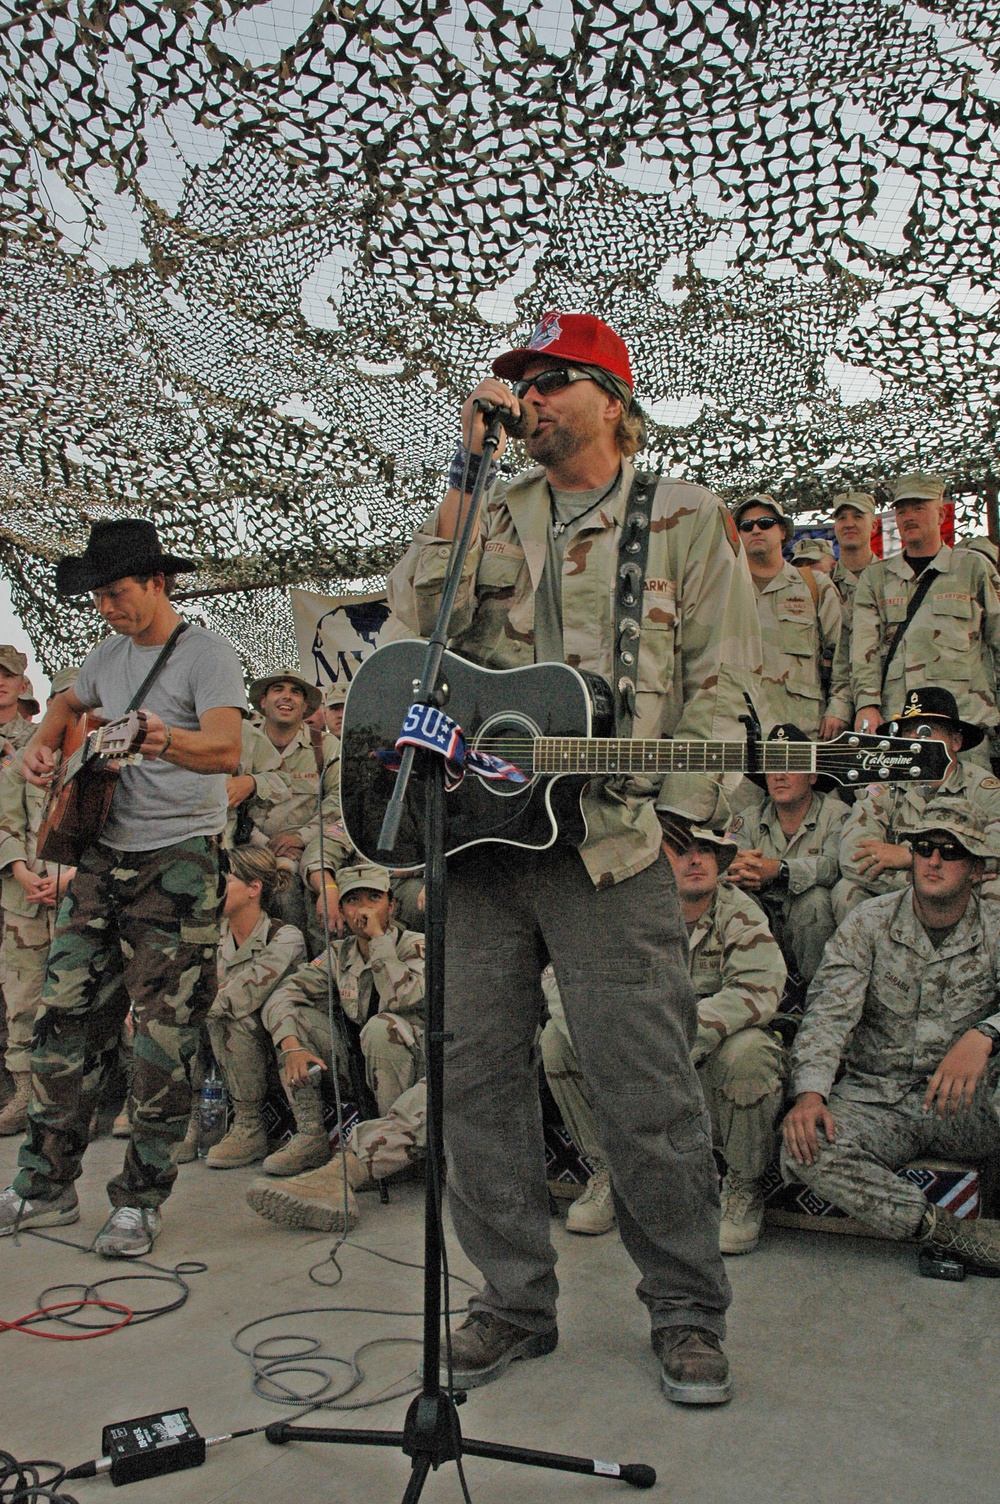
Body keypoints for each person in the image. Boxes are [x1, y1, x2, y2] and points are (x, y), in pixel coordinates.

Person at [387, 309, 763, 1405]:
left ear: (611, 396)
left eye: (550, 379)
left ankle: (687, 1309)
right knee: (476, 1082)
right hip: (482, 845)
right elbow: (412, 635)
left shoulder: (682, 515)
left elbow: (727, 680)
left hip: (610, 846)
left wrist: (688, 819)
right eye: (518, 383)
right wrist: (464, 467)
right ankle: (511, 1301)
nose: (528, 397)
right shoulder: (488, 512)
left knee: (643, 1086)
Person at [0, 518, 246, 1256]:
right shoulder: (105, 658)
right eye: (98, 597)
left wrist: (157, 736)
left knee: (163, 1041)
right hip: (103, 862)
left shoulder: (207, 655)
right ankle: (43, 1186)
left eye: (117, 593)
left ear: (158, 583)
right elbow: (70, 707)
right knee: (63, 1023)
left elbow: (228, 748)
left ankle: (140, 1200)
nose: (106, 608)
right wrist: (38, 751)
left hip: (179, 865)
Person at [541, 775, 787, 1255]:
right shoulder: (623, 911)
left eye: (707, 849)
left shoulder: (740, 912)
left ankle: (742, 1185)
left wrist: (677, 1033)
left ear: (721, 858)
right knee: (556, 1037)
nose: (696, 859)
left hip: (700, 1066)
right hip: (633, 1065)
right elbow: (559, 978)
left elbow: (761, 989)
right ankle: (609, 1170)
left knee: (752, 1050)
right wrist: (609, 1033)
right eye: (683, 849)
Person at [781, 799, 1000, 1273]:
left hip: (965, 1101)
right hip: (879, 1097)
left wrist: (984, 1034)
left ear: (977, 868)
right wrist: (811, 1093)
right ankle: (945, 1232)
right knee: (806, 1148)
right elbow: (828, 1013)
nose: (934, 861)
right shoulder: (869, 922)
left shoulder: (995, 927)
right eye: (924, 848)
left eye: (951, 850)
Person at [251, 862, 425, 1180]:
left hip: (415, 1065)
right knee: (294, 1020)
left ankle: (390, 1152)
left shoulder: (412, 945)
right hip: (359, 1060)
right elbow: (283, 996)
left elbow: (402, 997)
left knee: (381, 1027)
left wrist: (378, 941)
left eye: (374, 898)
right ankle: (311, 1136)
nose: (364, 909)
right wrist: (291, 1047)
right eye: (353, 900)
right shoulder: (338, 953)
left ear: (392, 904)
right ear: (341, 911)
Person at [851, 474, 1000, 758]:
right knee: (888, 799)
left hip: (965, 725)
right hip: (899, 723)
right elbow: (863, 650)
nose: (908, 517)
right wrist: (867, 704)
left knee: (972, 799)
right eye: (902, 510)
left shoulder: (972, 568)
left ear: (941, 513)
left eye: (919, 507)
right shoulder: (876, 578)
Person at [833, 687, 1000, 920]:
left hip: (965, 907)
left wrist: (910, 856)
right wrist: (924, 884)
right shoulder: (884, 786)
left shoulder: (984, 788)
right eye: (908, 731)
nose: (913, 739)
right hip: (900, 902)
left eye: (925, 731)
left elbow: (996, 851)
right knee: (846, 891)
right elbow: (853, 855)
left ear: (956, 741)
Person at [0, 668, 82, 1136]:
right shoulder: (27, 762)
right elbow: (5, 819)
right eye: (62, 704)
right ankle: (24, 1095)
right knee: (23, 997)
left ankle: (83, 1095)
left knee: (80, 1001)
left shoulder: (102, 760)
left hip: (80, 898)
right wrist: (19, 870)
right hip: (24, 902)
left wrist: (73, 877)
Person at [202, 847, 307, 1167]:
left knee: (226, 1015)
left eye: (226, 880)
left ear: (254, 888)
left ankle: (249, 1126)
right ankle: (194, 1119)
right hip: (231, 1061)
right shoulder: (212, 937)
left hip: (285, 1053)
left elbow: (242, 994)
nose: (215, 889)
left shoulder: (286, 937)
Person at [728, 723, 848, 983]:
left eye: (790, 764)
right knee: (734, 898)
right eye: (772, 766)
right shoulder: (747, 819)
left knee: (814, 901)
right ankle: (748, 990)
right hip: (764, 918)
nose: (779, 775)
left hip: (812, 927)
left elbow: (833, 867)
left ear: (812, 775)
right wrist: (740, 872)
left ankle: (819, 997)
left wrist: (780, 870)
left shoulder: (836, 814)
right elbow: (729, 861)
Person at [732, 493, 846, 740]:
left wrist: (838, 708)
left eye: (765, 523)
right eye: (746, 526)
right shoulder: (723, 590)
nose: (755, 530)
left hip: (801, 731)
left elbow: (843, 654)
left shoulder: (815, 586)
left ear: (783, 531)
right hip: (738, 734)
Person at [247, 666, 340, 947]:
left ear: (306, 706)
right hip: (249, 847)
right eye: (278, 689)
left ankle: (314, 973)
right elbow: (224, 798)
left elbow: (337, 801)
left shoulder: (325, 746)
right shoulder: (243, 741)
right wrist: (263, 843)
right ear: (263, 701)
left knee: (301, 891)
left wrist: (300, 838)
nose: (286, 697)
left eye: (295, 692)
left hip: (308, 847)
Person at [826, 491, 878, 730]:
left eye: (857, 516)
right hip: (831, 708)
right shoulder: (821, 586)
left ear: (874, 526)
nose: (848, 524)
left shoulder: (894, 582)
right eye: (841, 518)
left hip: (881, 704)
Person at [0, 646, 34, 754]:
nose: (0, 683)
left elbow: (39, 769)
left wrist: (8, 751)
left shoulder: (36, 735)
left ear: (23, 687)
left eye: (8, 676)